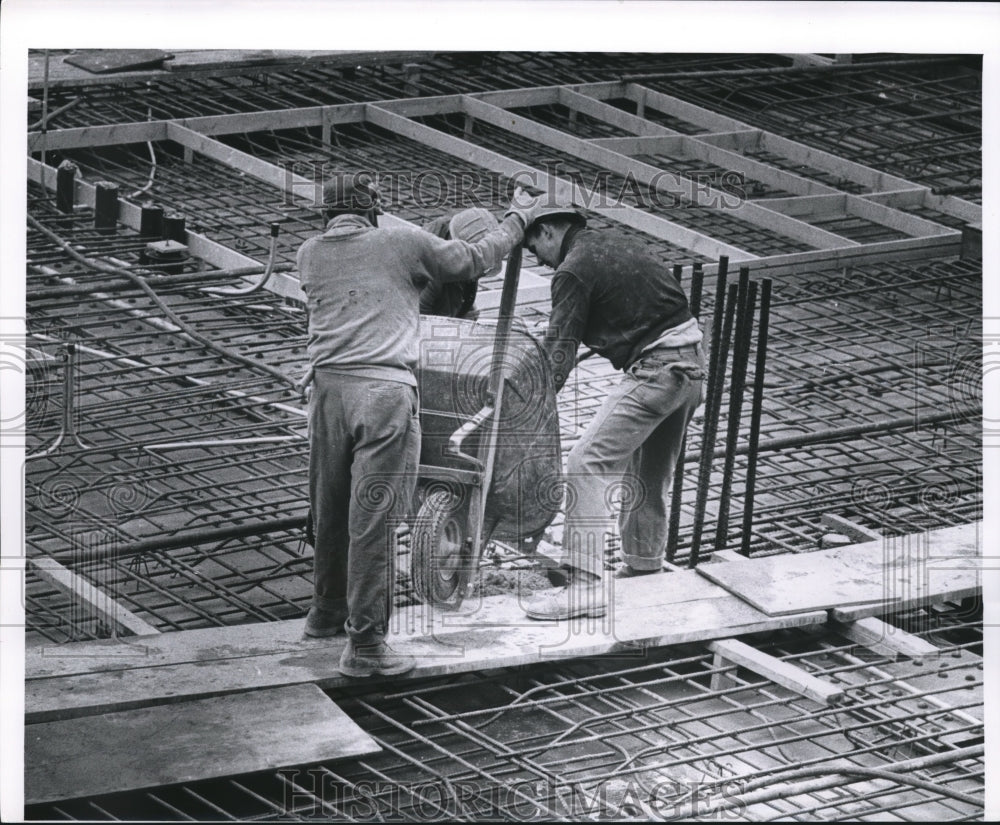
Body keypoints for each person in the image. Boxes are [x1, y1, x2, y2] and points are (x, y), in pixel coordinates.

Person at [297, 174, 540, 677]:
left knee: (330, 506)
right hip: (383, 395)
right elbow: (474, 258)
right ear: (373, 210)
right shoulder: (401, 241)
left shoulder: (308, 254)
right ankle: (366, 647)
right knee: (374, 519)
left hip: (325, 392)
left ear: (325, 216)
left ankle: (326, 613)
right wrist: (518, 217)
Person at [520, 206, 705, 621]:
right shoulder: (615, 243)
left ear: (547, 231)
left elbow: (559, 352)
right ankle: (644, 568)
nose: (539, 261)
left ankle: (583, 586)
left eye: (535, 250)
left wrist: (530, 405)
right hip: (692, 368)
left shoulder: (573, 269)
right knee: (649, 471)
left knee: (586, 462)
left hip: (658, 371)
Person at [420, 207, 504, 320]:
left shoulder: (461, 264)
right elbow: (419, 321)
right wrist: (458, 322)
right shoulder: (428, 270)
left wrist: (465, 310)